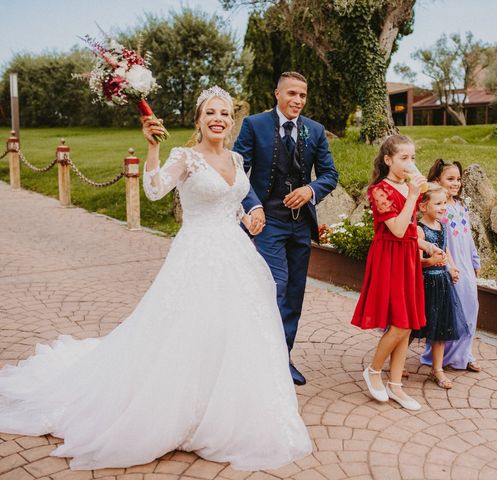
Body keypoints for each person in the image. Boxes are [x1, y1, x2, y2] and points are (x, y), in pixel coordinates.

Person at [0, 86, 311, 471]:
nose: (218, 119)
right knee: (186, 331)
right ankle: (178, 411)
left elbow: (229, 204)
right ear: (198, 120)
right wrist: (151, 150)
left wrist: (247, 217)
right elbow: (154, 190)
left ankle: (225, 410)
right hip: (196, 256)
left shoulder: (235, 158)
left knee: (232, 332)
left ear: (232, 122)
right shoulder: (186, 158)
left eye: (225, 114)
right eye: (211, 113)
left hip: (235, 255)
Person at [233, 72, 338, 386]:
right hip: (268, 222)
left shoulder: (314, 131)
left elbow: (330, 174)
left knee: (294, 293)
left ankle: (283, 357)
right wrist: (253, 206)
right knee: (275, 286)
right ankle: (263, 358)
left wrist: (311, 190)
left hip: (300, 226)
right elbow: (238, 171)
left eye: (303, 95)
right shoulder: (254, 125)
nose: (297, 100)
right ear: (276, 93)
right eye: (291, 93)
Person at [351, 134, 431, 412]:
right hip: (390, 257)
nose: (411, 163)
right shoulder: (379, 190)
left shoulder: (405, 187)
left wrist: (424, 244)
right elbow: (396, 229)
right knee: (399, 322)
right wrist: (413, 196)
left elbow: (409, 229)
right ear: (388, 160)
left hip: (407, 255)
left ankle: (396, 386)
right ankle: (374, 370)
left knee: (407, 322)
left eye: (413, 158)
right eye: (404, 158)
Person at [420, 159, 482, 373]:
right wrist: (446, 265)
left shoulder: (461, 206)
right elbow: (436, 239)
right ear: (438, 180)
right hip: (448, 264)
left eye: (458, 179)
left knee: (470, 307)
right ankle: (440, 355)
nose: (456, 183)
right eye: (450, 179)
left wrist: (475, 259)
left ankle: (464, 354)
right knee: (448, 311)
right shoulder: (438, 207)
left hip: (465, 263)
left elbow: (469, 236)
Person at [411, 183, 468, 389]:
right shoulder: (419, 229)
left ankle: (437, 369)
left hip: (442, 284)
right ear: (424, 206)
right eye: (438, 203)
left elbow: (445, 250)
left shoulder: (442, 226)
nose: (444, 207)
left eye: (445, 203)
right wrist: (431, 262)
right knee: (413, 327)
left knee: (441, 328)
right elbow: (417, 261)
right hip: (426, 284)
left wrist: (451, 267)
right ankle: (395, 362)